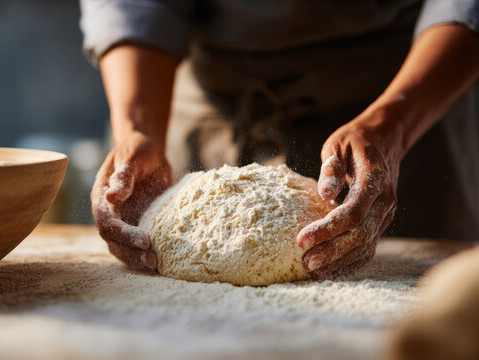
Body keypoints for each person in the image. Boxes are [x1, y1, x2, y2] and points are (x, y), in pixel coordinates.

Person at [80, 0, 479, 279]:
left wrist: (394, 123)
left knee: (423, 300)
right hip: (200, 89)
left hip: (404, 86)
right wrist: (139, 129)